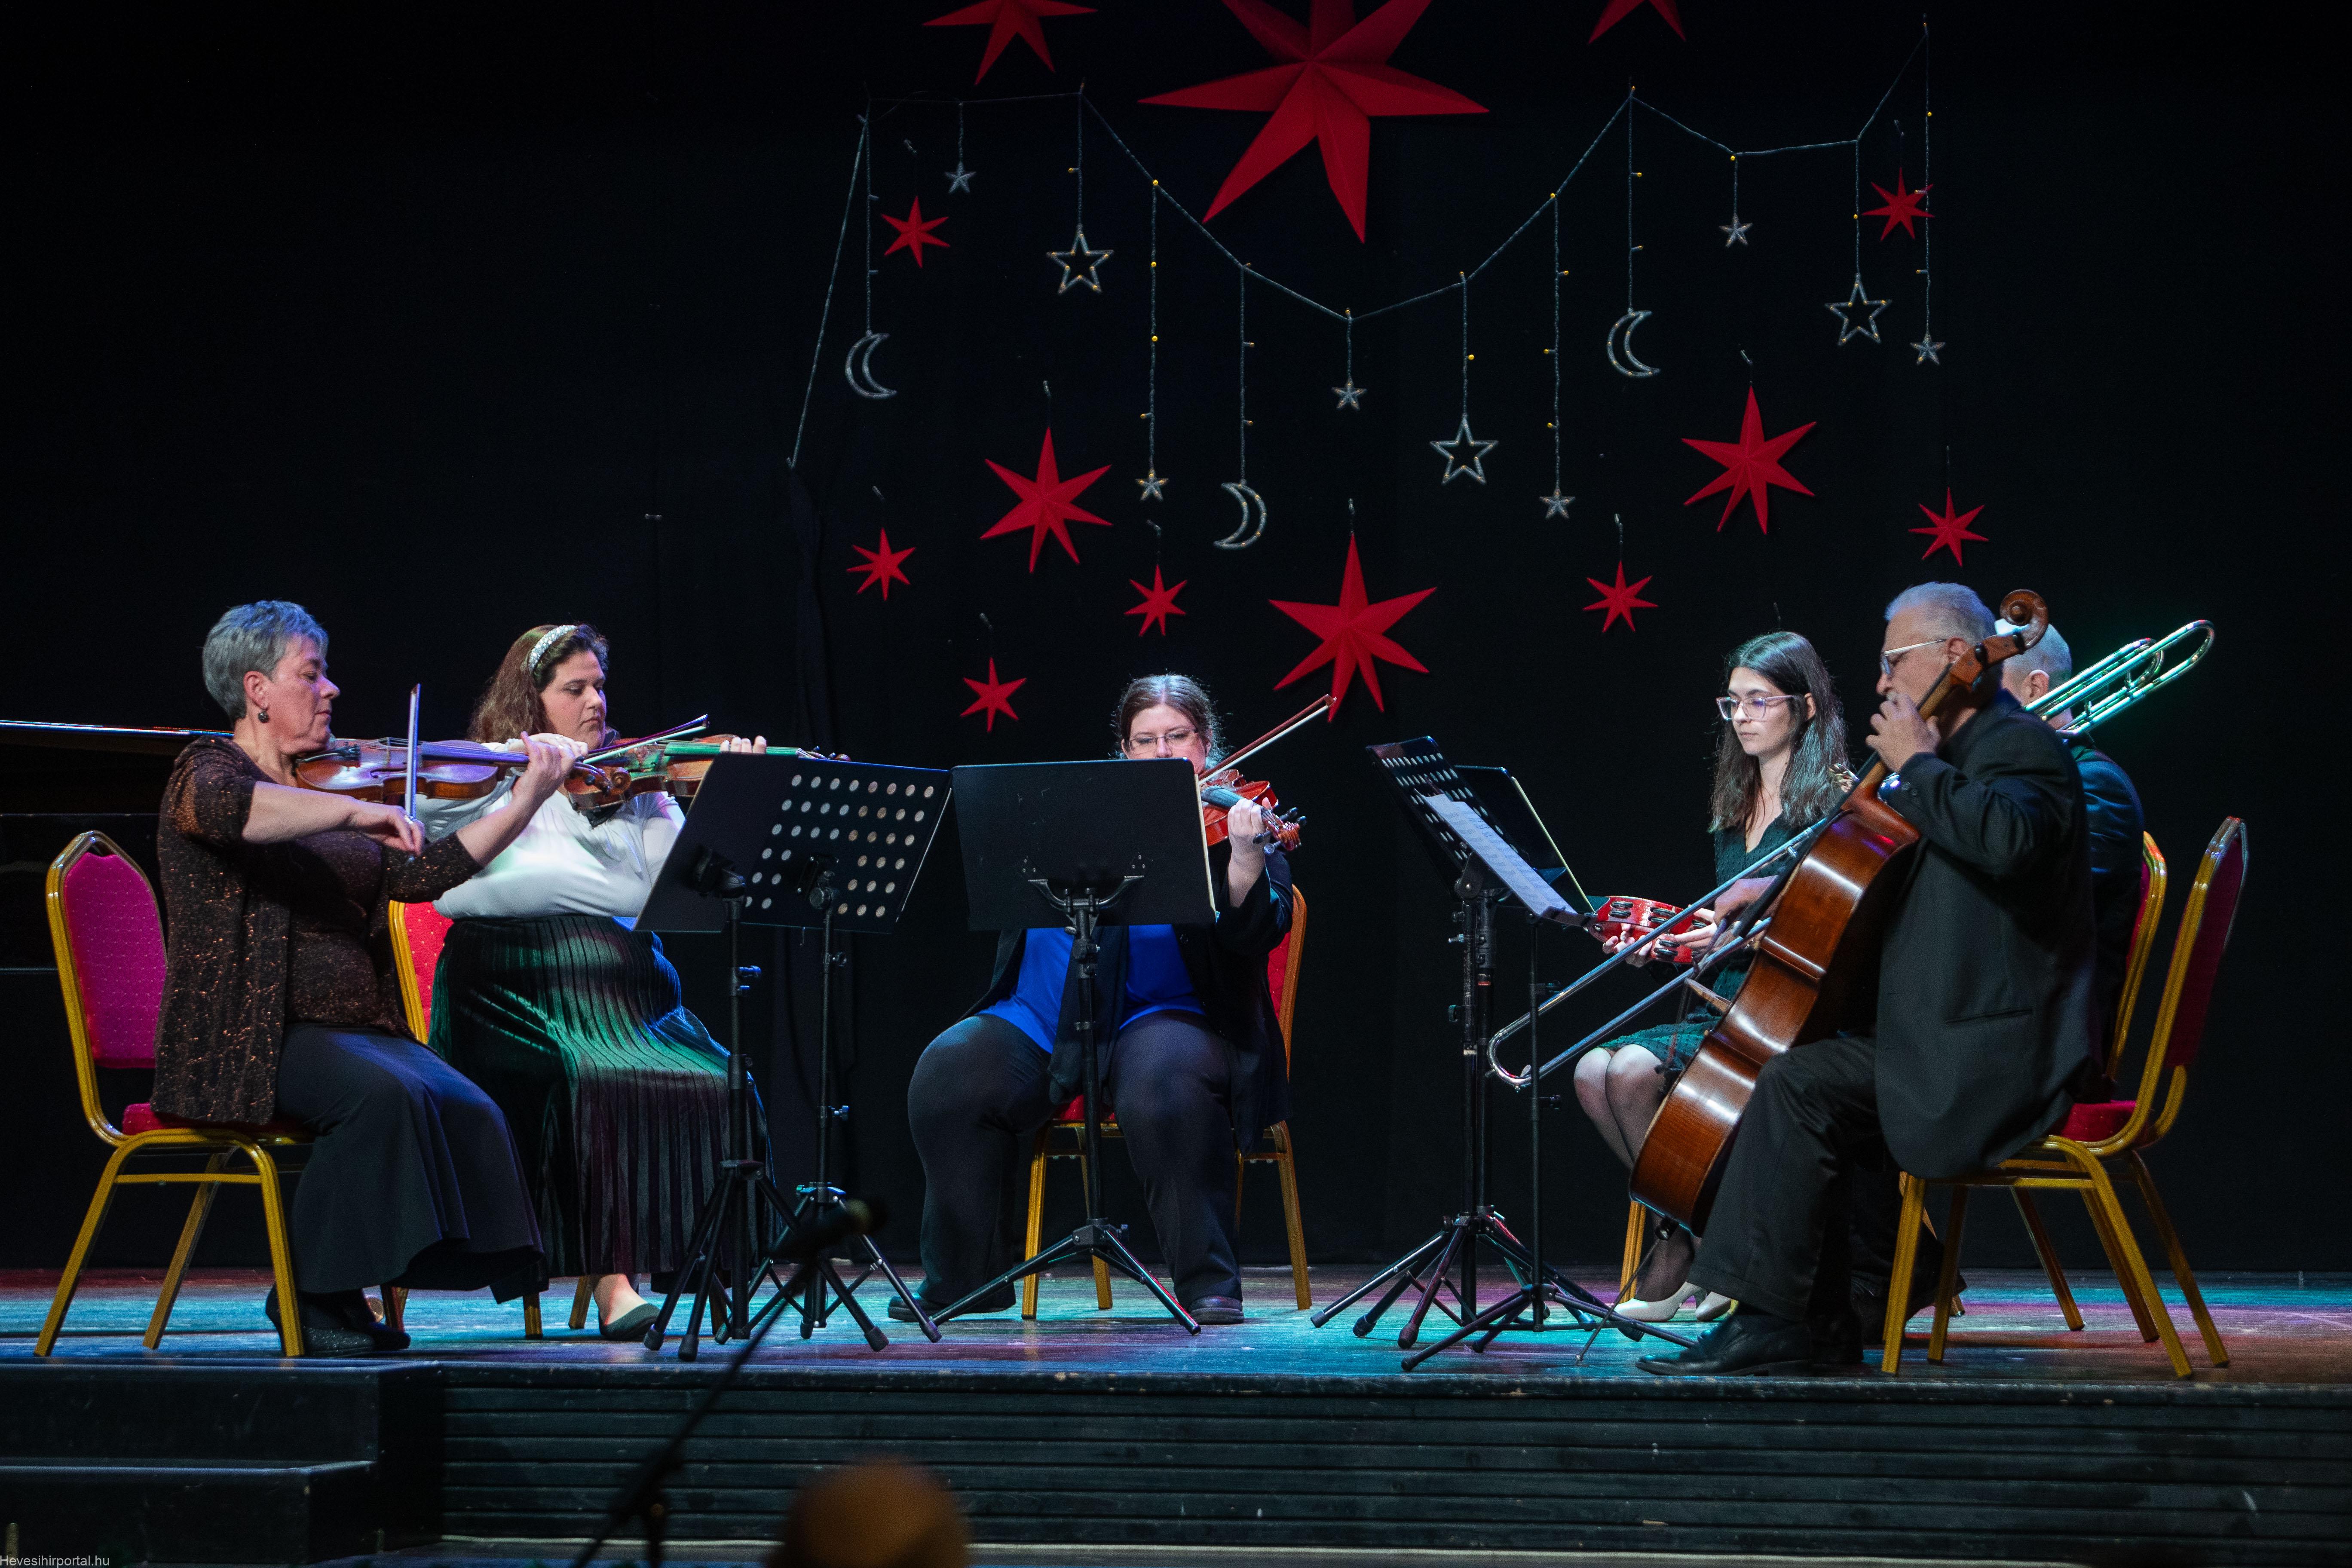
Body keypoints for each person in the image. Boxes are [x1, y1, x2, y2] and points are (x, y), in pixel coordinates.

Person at [1639, 582, 2100, 1376]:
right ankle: (1820, 1317)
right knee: (1797, 1076)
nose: (1882, 681)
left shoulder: (2019, 747)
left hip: (1995, 1055)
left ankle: (1777, 1322)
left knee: (1796, 1086)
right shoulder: (1952, 761)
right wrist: (1781, 889)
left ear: (1954, 655)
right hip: (1935, 1033)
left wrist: (1914, 762)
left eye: (1894, 661)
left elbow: (2012, 843)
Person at [154, 601, 565, 1356]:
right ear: (257, 689)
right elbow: (230, 811)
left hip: (353, 1030)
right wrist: (347, 814)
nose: (331, 689)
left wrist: (526, 799)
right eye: (311, 674)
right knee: (382, 1097)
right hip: (252, 1036)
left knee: (469, 1103)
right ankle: (311, 1295)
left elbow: (424, 874)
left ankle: (381, 1279)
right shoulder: (207, 770)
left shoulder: (329, 786)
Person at [902, 674, 1293, 1326]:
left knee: (1165, 1087)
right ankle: (967, 1278)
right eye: (1146, 740)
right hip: (1043, 1014)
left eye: (1178, 737)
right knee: (949, 1073)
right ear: (1124, 748)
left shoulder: (1234, 821)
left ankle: (1208, 1283)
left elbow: (1259, 932)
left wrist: (1247, 861)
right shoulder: (1076, 809)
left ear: (1205, 744)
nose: (1163, 753)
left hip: (1166, 1014)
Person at [417, 622, 766, 1341]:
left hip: (631, 989)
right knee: (592, 1079)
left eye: (599, 686)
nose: (595, 702)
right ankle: (614, 1282)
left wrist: (729, 799)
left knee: (725, 1080)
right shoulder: (477, 775)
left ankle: (704, 1265)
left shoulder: (632, 780)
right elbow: (434, 843)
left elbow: (680, 890)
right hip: (511, 982)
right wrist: (530, 782)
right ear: (529, 700)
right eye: (574, 688)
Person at [1572, 631, 1852, 1323]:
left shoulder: (1833, 804)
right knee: (1590, 1071)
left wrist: (1740, 932)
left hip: (1783, 1010)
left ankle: (1694, 1251)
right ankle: (1695, 1239)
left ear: (1805, 707)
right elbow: (1725, 929)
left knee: (1631, 1071)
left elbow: (1834, 926)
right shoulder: (1735, 804)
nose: (1743, 717)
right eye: (1733, 703)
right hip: (1723, 1000)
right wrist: (1672, 944)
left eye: (1760, 701)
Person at [1995, 620, 2147, 1057]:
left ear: (2034, 688)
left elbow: (2022, 918)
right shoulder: (1998, 781)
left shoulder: (2095, 787)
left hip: (2039, 1047)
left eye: (1981, 689)